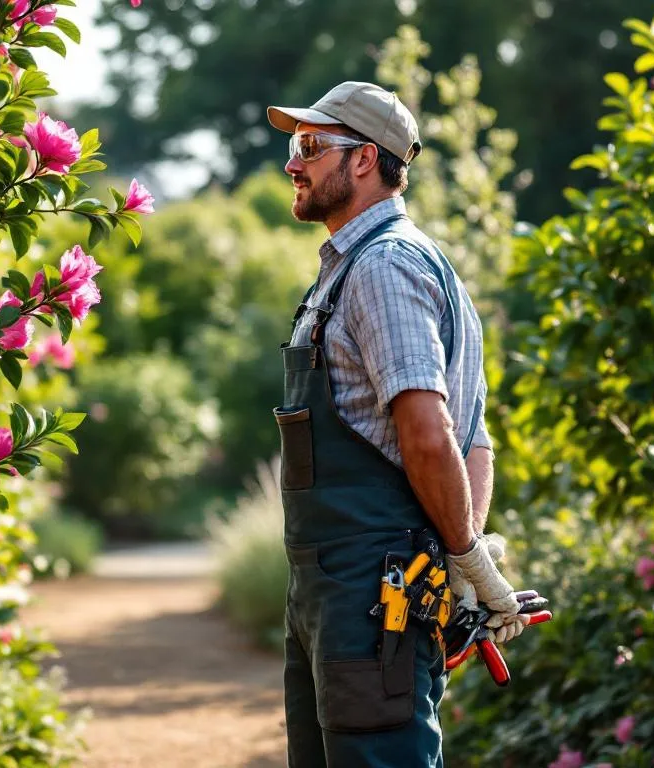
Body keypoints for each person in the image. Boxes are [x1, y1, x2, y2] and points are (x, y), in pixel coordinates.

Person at [266, 81, 529, 767]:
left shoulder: (384, 266)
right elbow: (477, 439)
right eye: (295, 145)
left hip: (369, 595)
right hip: (333, 590)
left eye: (311, 146)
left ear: (363, 160)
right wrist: (460, 564)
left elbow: (432, 432)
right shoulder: (358, 266)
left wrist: (465, 556)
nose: (293, 163)